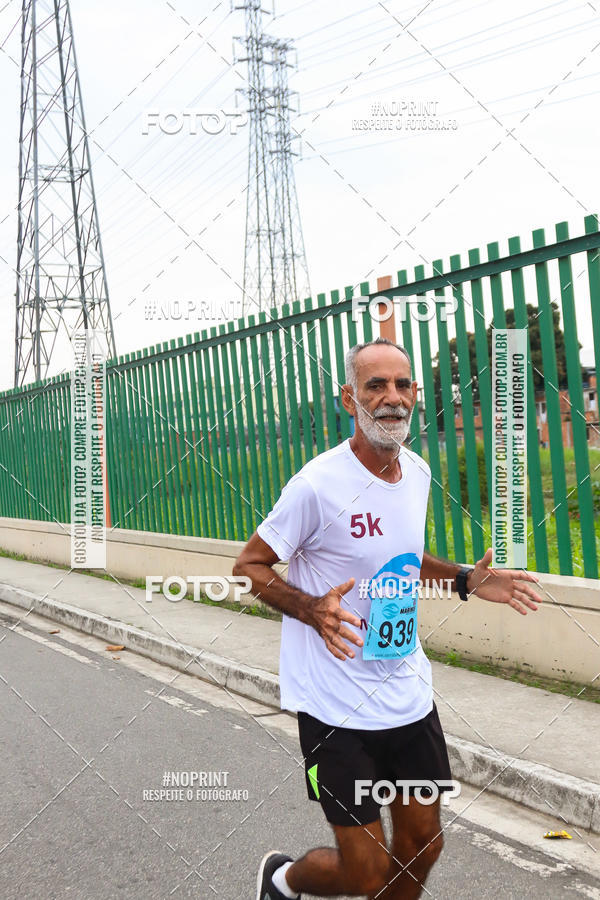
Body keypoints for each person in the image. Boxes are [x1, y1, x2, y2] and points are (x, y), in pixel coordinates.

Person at [233, 337, 542, 899]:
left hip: (406, 691)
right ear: (349, 399)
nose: (391, 398)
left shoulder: (417, 472)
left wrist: (463, 580)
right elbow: (250, 565)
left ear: (417, 396)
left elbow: (400, 556)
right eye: (375, 386)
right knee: (368, 872)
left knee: (424, 845)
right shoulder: (317, 485)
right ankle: (281, 880)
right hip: (335, 705)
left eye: (402, 385)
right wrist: (310, 609)